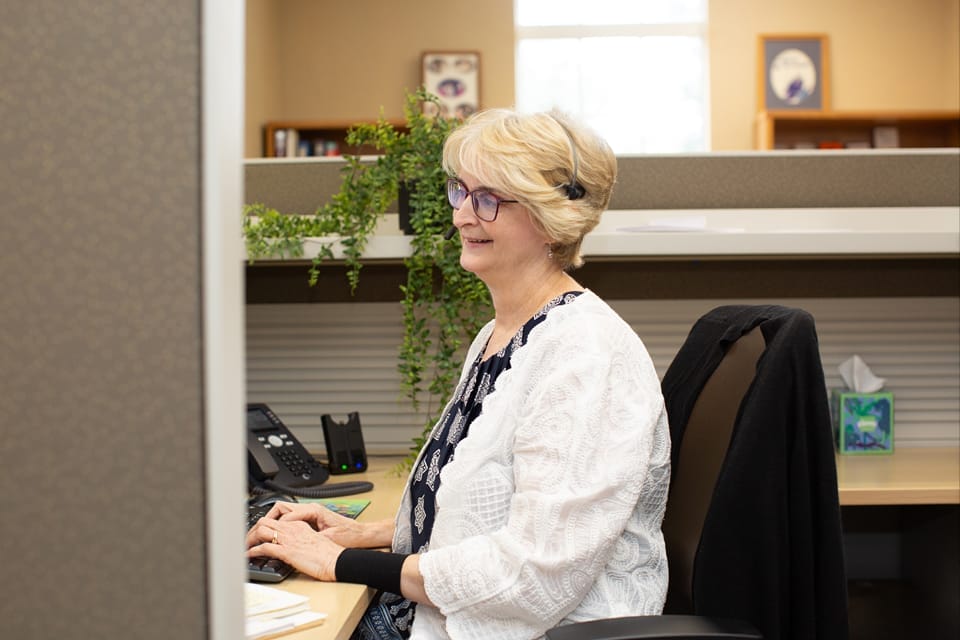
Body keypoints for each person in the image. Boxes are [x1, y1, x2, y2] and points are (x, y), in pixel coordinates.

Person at [247, 108, 672, 639]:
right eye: (459, 191)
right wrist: (360, 534)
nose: (462, 216)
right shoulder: (504, 335)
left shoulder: (586, 357)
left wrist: (340, 564)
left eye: (488, 198)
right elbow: (476, 516)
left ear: (549, 218)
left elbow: (533, 575)